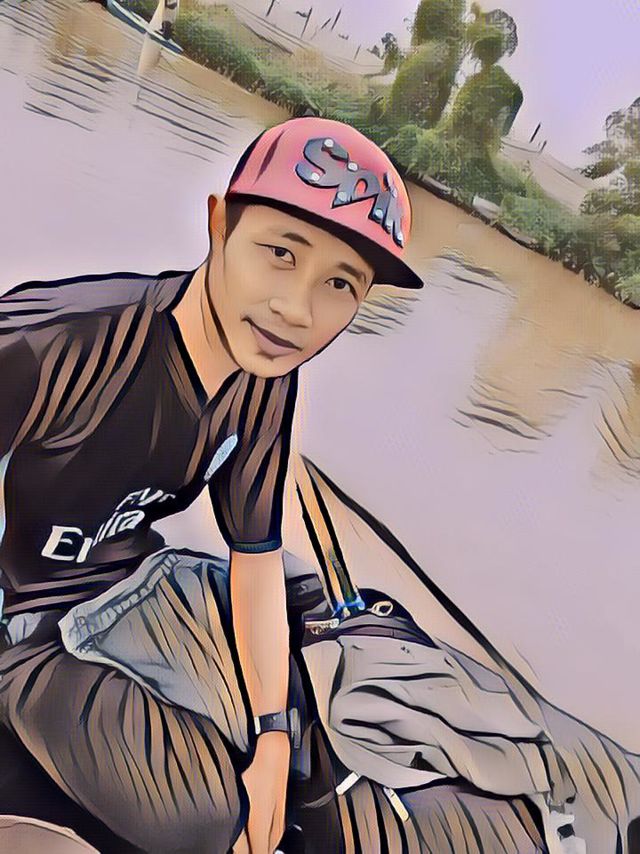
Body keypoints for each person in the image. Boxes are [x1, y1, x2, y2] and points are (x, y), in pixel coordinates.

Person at [0, 116, 423, 853]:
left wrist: (272, 739)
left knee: (312, 602)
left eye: (338, 284)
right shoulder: (55, 341)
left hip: (132, 582)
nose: (297, 311)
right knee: (207, 817)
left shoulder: (266, 380)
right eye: (281, 254)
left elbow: (254, 558)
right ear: (219, 224)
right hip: (26, 624)